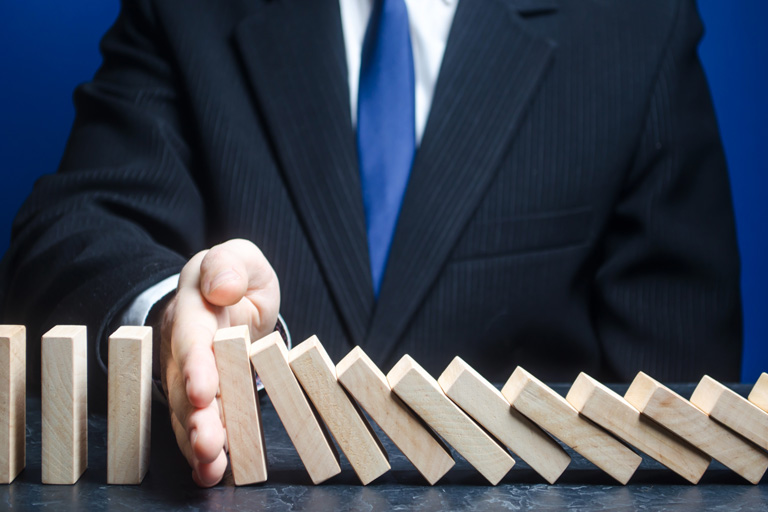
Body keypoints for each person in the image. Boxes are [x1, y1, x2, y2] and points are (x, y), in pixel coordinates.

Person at [0, 0, 742, 487]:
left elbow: (682, 422)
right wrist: (171, 322)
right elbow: (67, 233)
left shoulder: (638, 26)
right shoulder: (188, 11)